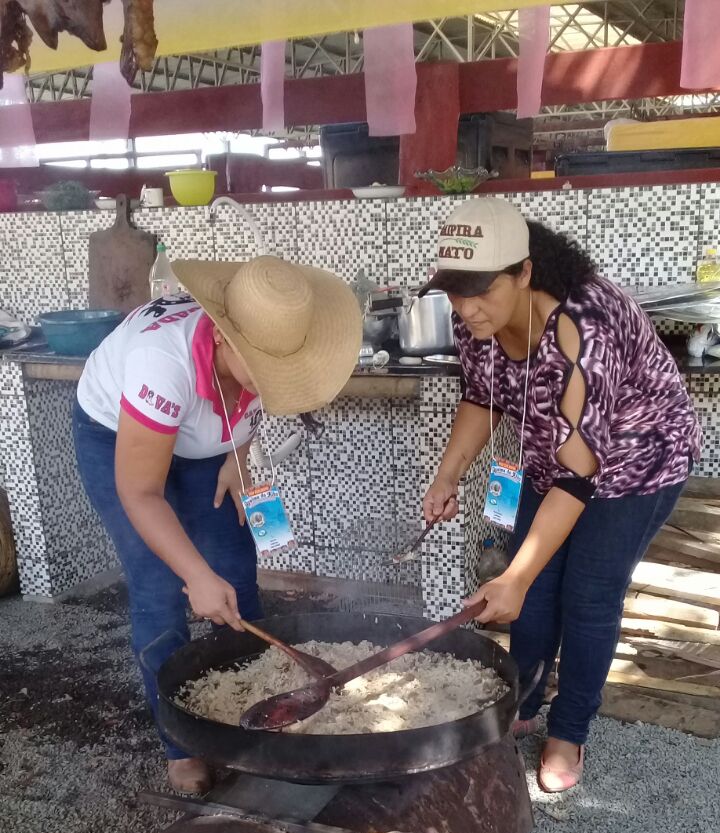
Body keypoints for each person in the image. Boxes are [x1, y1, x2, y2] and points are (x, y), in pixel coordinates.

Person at [422, 198, 700, 793]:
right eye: (454, 293)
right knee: (533, 589)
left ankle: (569, 730)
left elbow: (580, 477)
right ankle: (521, 702)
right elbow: (479, 395)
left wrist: (515, 576)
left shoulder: (583, 327)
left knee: (587, 594)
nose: (466, 308)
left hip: (638, 459)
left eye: (481, 291)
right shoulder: (475, 321)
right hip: (555, 454)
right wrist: (448, 475)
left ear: (525, 272)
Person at [74, 254, 361, 794]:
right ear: (225, 339)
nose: (277, 380)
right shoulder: (163, 363)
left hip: (203, 441)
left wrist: (236, 457)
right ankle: (180, 742)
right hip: (118, 436)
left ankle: (256, 709)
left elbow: (249, 404)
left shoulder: (264, 344)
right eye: (265, 367)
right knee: (160, 588)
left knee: (233, 572)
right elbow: (140, 492)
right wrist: (194, 575)